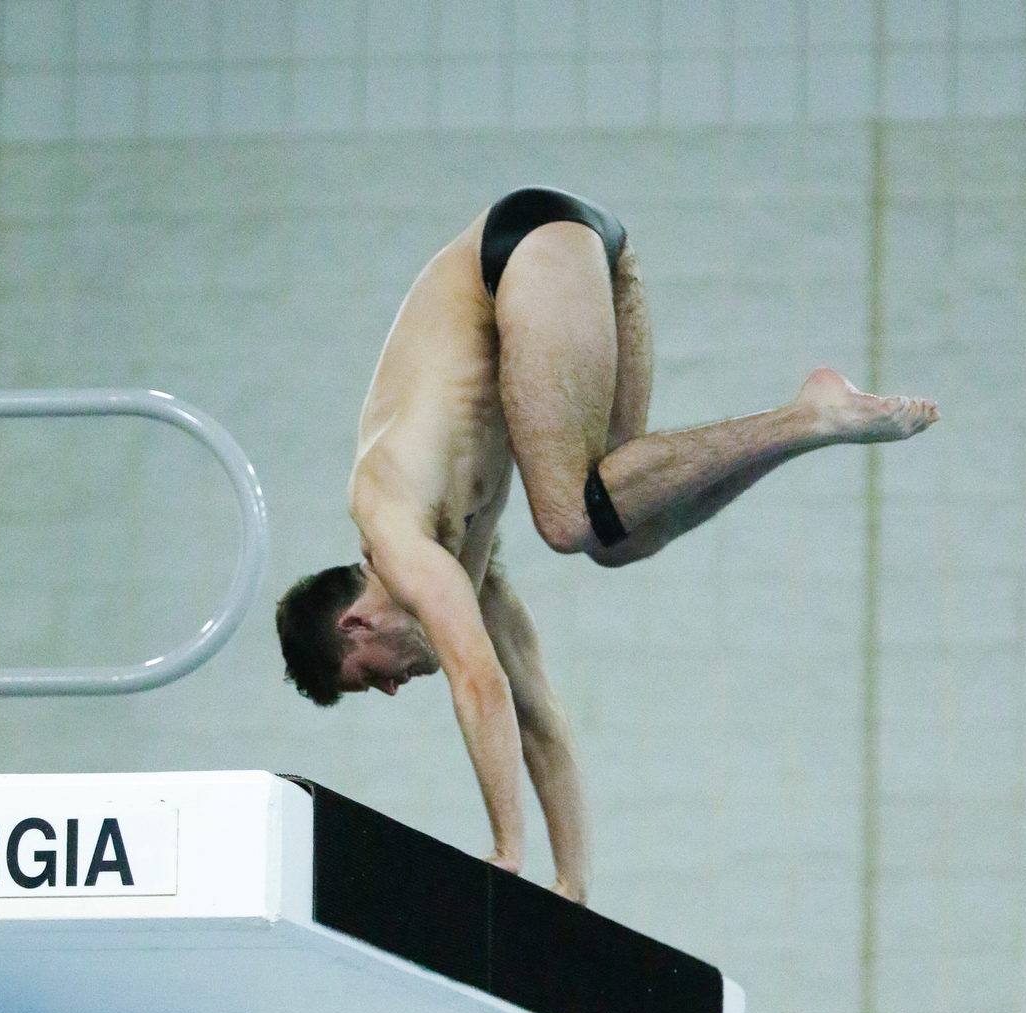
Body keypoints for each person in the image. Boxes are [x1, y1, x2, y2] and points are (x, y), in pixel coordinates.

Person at [276, 187, 938, 904]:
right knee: (618, 531)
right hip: (596, 256)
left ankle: (809, 416)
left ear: (356, 623)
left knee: (566, 520)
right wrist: (570, 887)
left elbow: (480, 683)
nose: (397, 687)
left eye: (371, 676)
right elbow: (536, 715)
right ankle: (808, 421)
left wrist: (504, 855)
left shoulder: (391, 526)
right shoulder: (462, 568)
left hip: (522, 252)